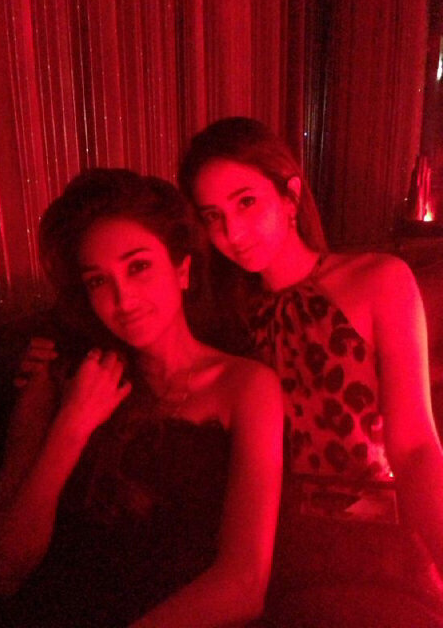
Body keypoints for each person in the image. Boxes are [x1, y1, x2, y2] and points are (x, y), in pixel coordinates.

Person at [0, 168, 283, 627]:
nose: (122, 299)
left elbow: (243, 584)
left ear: (181, 270)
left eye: (138, 267)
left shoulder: (247, 386)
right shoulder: (55, 377)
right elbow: (1, 573)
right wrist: (72, 426)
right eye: (98, 281)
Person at [178, 117, 443, 627]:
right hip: (272, 550)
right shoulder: (226, 320)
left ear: (291, 195)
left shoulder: (378, 281)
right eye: (214, 216)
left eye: (246, 202)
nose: (232, 232)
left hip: (372, 538)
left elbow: (414, 448)